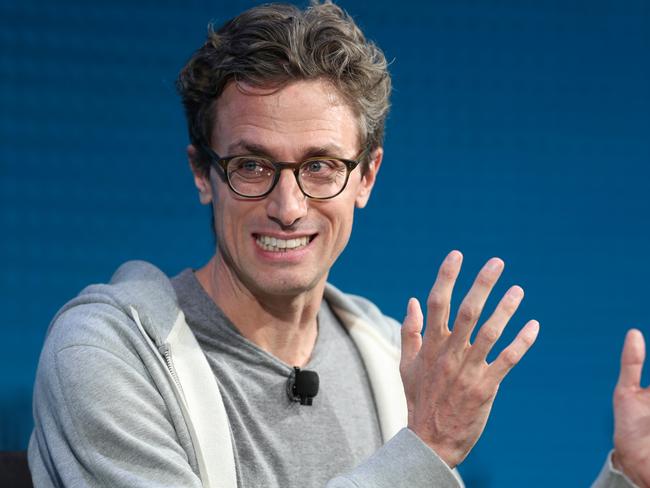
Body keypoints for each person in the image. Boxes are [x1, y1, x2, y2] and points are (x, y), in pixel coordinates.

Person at [28, 2, 647, 487]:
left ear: (367, 177)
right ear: (201, 172)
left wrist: (627, 477)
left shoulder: (388, 360)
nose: (288, 206)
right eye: (251, 165)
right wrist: (424, 450)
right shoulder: (108, 355)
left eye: (321, 166)